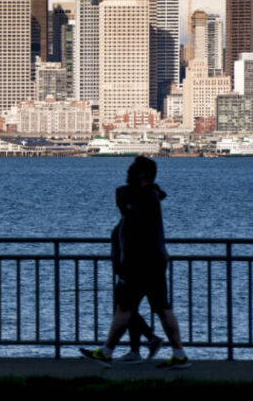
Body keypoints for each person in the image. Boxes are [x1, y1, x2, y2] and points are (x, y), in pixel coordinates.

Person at [80, 156, 190, 369]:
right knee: (160, 308)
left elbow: (122, 200)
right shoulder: (151, 196)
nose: (128, 172)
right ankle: (178, 353)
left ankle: (107, 351)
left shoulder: (140, 197)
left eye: (133, 169)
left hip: (139, 263)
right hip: (153, 262)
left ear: (140, 175)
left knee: (125, 308)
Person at [110, 215, 164, 363]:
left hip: (131, 274)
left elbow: (132, 249)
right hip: (129, 273)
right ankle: (137, 349)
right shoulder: (129, 221)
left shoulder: (133, 223)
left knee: (124, 309)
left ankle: (148, 340)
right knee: (128, 310)